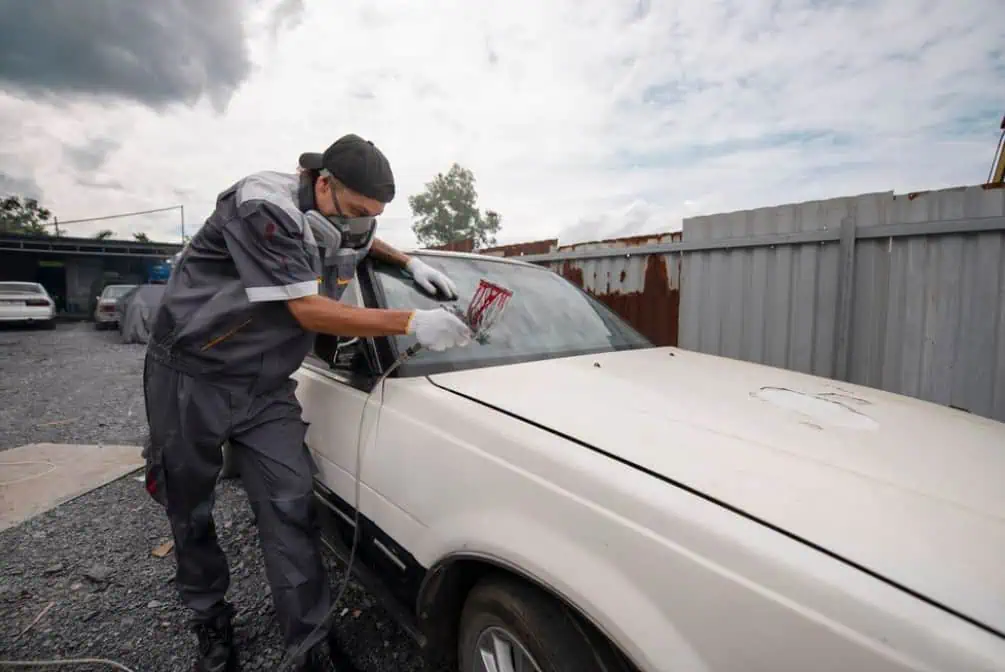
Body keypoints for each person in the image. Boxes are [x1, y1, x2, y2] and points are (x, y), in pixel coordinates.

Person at [141, 133, 473, 671]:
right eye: (359, 212)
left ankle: (309, 642)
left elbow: (358, 241)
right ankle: (210, 620)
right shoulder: (262, 206)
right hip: (192, 370)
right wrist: (411, 321)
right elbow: (309, 311)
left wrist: (408, 262)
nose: (364, 227)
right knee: (189, 503)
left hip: (264, 384)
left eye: (375, 217)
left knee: (290, 504)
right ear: (323, 184)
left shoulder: (342, 215)